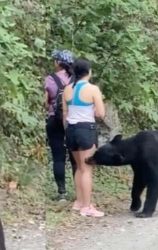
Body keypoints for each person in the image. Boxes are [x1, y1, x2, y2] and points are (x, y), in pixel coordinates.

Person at [62, 58, 105, 217]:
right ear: (88, 72)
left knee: (79, 167)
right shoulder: (93, 89)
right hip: (86, 129)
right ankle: (87, 207)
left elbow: (65, 113)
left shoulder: (67, 89)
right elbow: (101, 113)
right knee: (87, 169)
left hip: (71, 130)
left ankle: (79, 202)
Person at [45, 49, 77, 202]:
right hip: (74, 121)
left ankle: (62, 193)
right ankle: (80, 192)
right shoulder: (77, 80)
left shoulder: (50, 79)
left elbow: (46, 103)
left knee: (58, 158)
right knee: (75, 157)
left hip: (55, 121)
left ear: (58, 62)